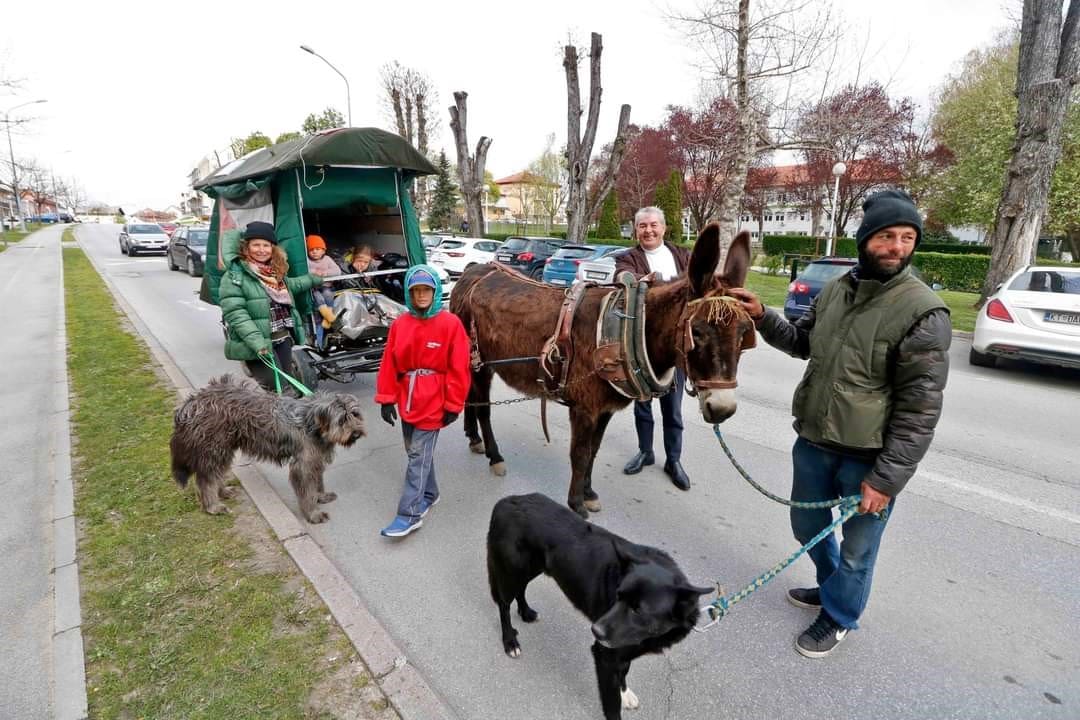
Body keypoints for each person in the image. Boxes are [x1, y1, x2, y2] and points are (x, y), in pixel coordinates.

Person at [728, 189, 952, 659]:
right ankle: (833, 589)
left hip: (867, 457)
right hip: (813, 440)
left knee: (857, 551)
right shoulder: (835, 291)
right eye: (886, 236)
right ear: (865, 240)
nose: (896, 246)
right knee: (806, 525)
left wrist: (885, 480)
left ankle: (839, 615)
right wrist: (762, 316)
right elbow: (802, 342)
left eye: (907, 237)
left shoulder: (923, 311)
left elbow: (920, 409)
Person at [374, 264, 471, 538]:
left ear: (435, 291)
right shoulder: (400, 324)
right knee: (414, 451)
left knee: (417, 456)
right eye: (415, 290)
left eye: (426, 290)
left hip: (434, 399)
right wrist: (386, 398)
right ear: (408, 293)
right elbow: (389, 363)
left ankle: (410, 513)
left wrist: (453, 404)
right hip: (408, 398)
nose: (421, 296)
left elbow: (459, 367)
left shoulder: (450, 324)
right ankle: (430, 493)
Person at [615, 206, 693, 491]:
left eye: (653, 225)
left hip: (674, 349)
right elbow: (622, 276)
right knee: (643, 406)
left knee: (673, 411)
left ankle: (674, 460)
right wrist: (635, 281)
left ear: (663, 228)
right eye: (642, 226)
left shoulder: (683, 256)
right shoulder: (630, 257)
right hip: (642, 348)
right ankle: (646, 452)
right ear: (636, 230)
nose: (648, 230)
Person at [219, 221, 326, 392]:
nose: (261, 250)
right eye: (256, 245)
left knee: (288, 386)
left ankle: (286, 417)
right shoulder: (235, 275)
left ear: (273, 248)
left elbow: (292, 285)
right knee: (278, 391)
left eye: (266, 245)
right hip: (257, 344)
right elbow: (235, 313)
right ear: (246, 247)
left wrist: (313, 278)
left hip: (282, 337)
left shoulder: (273, 271)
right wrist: (257, 342)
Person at [305, 234, 342, 329]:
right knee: (318, 297)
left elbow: (337, 271)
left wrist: (325, 273)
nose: (314, 252)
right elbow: (304, 271)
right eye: (311, 250)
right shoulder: (306, 261)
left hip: (327, 286)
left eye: (317, 249)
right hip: (313, 287)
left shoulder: (327, 259)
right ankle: (329, 316)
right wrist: (314, 272)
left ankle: (327, 318)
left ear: (323, 250)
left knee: (328, 294)